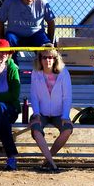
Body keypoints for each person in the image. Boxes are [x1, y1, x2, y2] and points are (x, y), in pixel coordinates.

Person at [30, 44, 73, 172]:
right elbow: (34, 95)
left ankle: (48, 160)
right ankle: (53, 165)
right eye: (44, 57)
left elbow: (67, 97)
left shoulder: (63, 72)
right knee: (36, 130)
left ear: (55, 59)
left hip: (59, 114)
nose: (48, 60)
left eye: (51, 57)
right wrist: (36, 114)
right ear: (40, 59)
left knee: (67, 129)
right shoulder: (36, 73)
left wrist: (65, 116)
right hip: (41, 113)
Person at [0, 0, 55, 64]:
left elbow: (51, 22)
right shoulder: (10, 1)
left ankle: (43, 73)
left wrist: (50, 41)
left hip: (36, 34)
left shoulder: (42, 2)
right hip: (15, 35)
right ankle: (13, 71)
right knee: (8, 42)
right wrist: (1, 40)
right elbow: (0, 21)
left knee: (47, 47)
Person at [0, 39, 20, 171]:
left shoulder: (12, 68)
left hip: (10, 109)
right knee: (0, 115)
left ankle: (11, 157)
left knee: (0, 107)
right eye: (0, 51)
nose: (4, 54)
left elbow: (14, 95)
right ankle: (11, 157)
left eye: (6, 52)